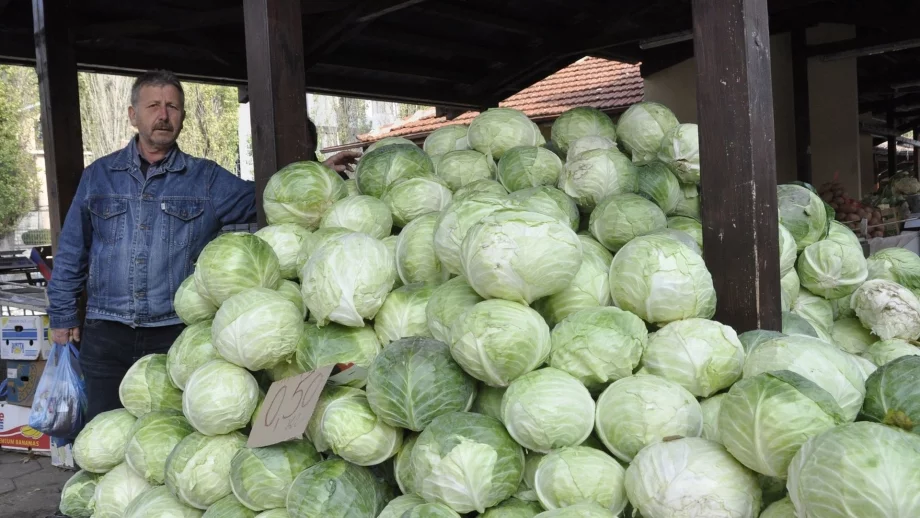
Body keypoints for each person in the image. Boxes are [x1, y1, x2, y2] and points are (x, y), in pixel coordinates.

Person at [47, 70, 358, 421]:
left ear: (182, 118)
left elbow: (267, 198)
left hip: (176, 333)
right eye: (153, 106)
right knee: (101, 425)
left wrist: (320, 173)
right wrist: (62, 315)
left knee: (171, 425)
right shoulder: (98, 176)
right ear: (133, 115)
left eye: (173, 107)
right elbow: (73, 250)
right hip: (107, 331)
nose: (163, 115)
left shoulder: (206, 178)